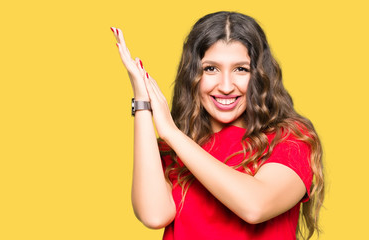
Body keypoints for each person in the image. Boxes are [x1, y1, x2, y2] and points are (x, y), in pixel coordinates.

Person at [111, 11, 324, 240]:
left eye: (241, 69)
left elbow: (255, 206)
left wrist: (171, 132)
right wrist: (143, 102)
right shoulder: (175, 149)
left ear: (260, 76)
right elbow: (154, 215)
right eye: (210, 68)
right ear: (193, 75)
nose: (225, 86)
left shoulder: (290, 139)